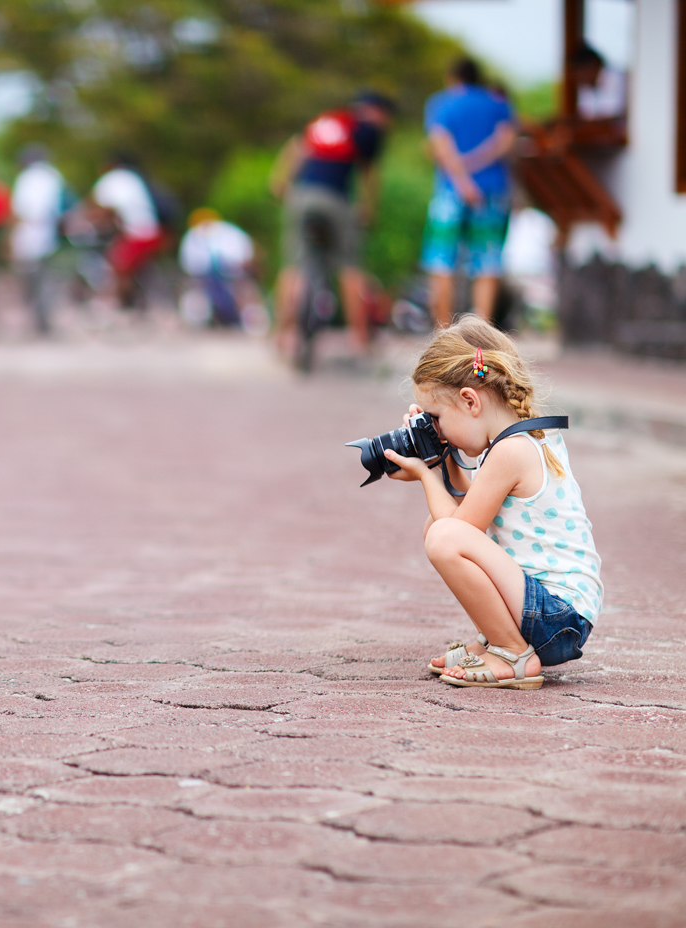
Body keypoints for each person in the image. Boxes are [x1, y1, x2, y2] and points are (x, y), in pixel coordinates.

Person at [382, 317, 602, 689]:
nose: (435, 429)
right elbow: (466, 519)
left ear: (469, 400)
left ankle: (512, 652)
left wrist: (425, 474)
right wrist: (441, 457)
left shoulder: (511, 451)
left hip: (557, 618)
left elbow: (460, 530)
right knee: (438, 529)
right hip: (550, 612)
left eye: (435, 419)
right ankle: (498, 640)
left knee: (442, 535)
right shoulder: (521, 438)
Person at [270, 91, 397, 357]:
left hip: (302, 196)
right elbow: (368, 173)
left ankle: (281, 336)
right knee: (350, 266)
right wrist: (367, 208)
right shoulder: (367, 130)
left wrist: (280, 182)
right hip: (335, 199)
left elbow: (296, 148)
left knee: (294, 265)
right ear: (377, 111)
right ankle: (360, 339)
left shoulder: (326, 120)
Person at [420, 58, 519, 327]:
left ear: (453, 78)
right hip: (491, 192)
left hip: (450, 193)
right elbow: (505, 142)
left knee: (441, 261)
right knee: (487, 264)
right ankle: (481, 336)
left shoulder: (441, 103)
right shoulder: (498, 104)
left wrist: (462, 180)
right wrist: (477, 161)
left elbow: (440, 146)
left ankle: (444, 336)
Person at [88, 153, 163, 310]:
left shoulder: (114, 179)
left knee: (118, 266)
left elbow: (105, 207)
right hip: (152, 231)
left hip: (138, 233)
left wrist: (90, 220)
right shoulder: (134, 177)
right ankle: (136, 303)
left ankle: (123, 306)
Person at [9, 145, 66, 335]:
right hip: (48, 233)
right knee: (45, 278)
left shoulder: (26, 178)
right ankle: (45, 319)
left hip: (29, 233)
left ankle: (38, 320)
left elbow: (20, 210)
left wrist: (10, 236)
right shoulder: (53, 176)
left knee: (31, 279)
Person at [178, 207, 257, 328]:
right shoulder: (194, 237)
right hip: (209, 276)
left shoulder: (229, 234)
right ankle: (225, 314)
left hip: (228, 273)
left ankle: (227, 313)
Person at [570, 43, 627, 122]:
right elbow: (584, 115)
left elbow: (618, 115)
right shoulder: (585, 86)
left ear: (593, 65)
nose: (576, 77)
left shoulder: (617, 78)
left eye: (578, 71)